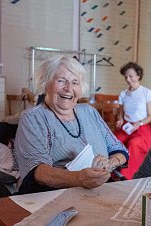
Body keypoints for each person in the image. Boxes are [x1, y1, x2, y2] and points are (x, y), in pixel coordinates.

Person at [15, 56, 128, 194]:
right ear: (45, 84)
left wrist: (109, 164)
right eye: (61, 81)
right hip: (56, 193)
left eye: (75, 82)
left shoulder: (89, 111)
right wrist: (79, 178)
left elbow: (120, 150)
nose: (69, 88)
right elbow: (38, 171)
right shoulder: (33, 117)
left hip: (101, 188)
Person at [114, 62, 151, 179]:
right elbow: (120, 114)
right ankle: (113, 171)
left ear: (138, 76)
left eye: (131, 76)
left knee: (134, 143)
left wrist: (139, 123)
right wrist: (120, 120)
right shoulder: (123, 94)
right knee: (114, 142)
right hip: (126, 127)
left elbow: (150, 117)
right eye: (126, 76)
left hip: (141, 127)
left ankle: (130, 175)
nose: (128, 79)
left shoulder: (147, 93)